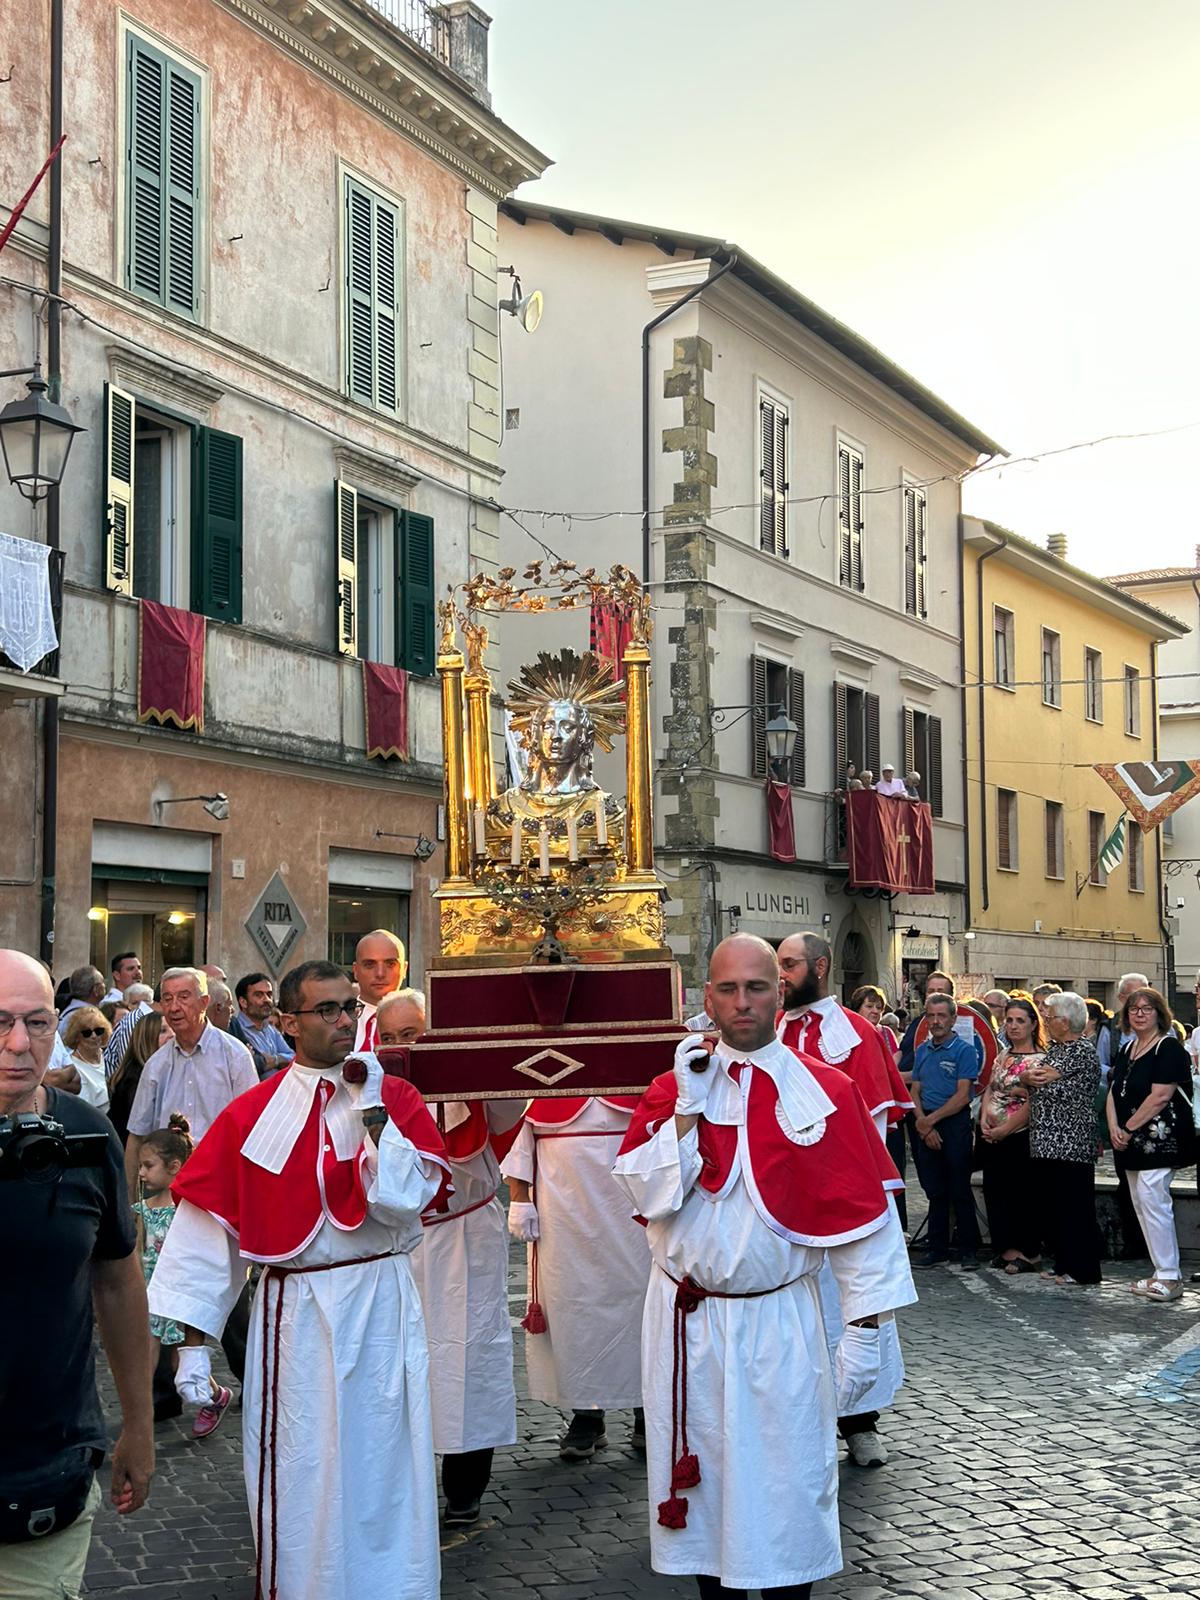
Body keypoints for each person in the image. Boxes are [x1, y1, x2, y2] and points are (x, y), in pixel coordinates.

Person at [611, 935, 915, 1598]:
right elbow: (645, 1194)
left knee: (787, 1484)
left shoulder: (826, 1091)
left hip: (780, 1321)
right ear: (707, 998)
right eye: (728, 988)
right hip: (686, 1325)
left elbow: (866, 1228)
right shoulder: (670, 1089)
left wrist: (866, 1334)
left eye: (756, 986)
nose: (742, 1001)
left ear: (780, 993)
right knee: (703, 1491)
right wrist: (689, 1112)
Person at [147, 959, 450, 1600]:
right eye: (327, 1010)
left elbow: (404, 1200)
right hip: (298, 1311)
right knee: (303, 1464)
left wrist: (371, 1115)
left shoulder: (394, 1098)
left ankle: (396, 1587)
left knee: (386, 1461)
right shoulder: (254, 1112)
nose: (345, 1020)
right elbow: (206, 1237)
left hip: (383, 1301)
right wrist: (192, 1344)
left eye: (350, 1008)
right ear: (288, 1023)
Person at [0, 950, 153, 1599]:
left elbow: (117, 1282)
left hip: (48, 1465)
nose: (17, 1043)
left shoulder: (86, 1135)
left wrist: (139, 1425)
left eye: (36, 1023)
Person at [777, 937, 912, 1468]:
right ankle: (794, 1425)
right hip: (778, 1195)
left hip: (841, 1196)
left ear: (820, 966)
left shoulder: (856, 1035)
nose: (781, 975)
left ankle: (859, 1423)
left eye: (788, 965)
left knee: (849, 1307)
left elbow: (871, 1130)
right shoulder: (767, 1030)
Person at [389, 988, 522, 1527]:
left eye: (414, 1034)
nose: (405, 1048)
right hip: (402, 1247)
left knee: (469, 1359)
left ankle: (465, 1486)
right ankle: (405, 1479)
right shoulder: (372, 1094)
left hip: (467, 1238)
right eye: (393, 1038)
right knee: (402, 1363)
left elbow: (516, 1094)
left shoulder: (476, 1082)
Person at [502, 1088, 650, 1463]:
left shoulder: (639, 1070)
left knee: (642, 1305)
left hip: (631, 1215)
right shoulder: (543, 1079)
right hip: (563, 1213)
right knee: (574, 1307)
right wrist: (519, 1197)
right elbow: (519, 1141)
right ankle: (587, 1412)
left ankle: (647, 1409)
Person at [133, 1115, 232, 1438]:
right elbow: (137, 1251)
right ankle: (141, 1413)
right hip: (151, 1293)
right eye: (141, 1166)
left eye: (148, 1166)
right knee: (145, 1352)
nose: (141, 1173)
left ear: (174, 1166)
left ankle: (216, 1396)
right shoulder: (142, 1209)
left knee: (179, 1363)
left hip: (178, 1293)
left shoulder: (186, 1209)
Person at [122, 967, 257, 1198]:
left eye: (184, 997)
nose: (174, 1007)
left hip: (221, 1187)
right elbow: (137, 1135)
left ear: (204, 1002)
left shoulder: (235, 1056)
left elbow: (254, 1128)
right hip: (166, 1192)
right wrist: (129, 1202)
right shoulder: (156, 1065)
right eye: (167, 999)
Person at [1107, 987, 1194, 1303]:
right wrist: (1115, 1126)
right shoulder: (1128, 1048)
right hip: (1130, 1136)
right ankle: (1160, 1271)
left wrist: (1127, 1128)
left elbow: (1160, 1096)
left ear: (1159, 1013)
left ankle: (1170, 1276)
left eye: (1146, 1008)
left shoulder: (1168, 1048)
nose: (1139, 1013)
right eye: (1133, 1008)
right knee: (1141, 1203)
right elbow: (1114, 1091)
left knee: (1153, 1198)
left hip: (1160, 1137)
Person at [1022, 992, 1102, 1287]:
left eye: (1050, 1016)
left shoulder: (1081, 1051)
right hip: (1047, 1140)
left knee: (1075, 1208)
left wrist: (1034, 1079)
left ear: (1065, 1022)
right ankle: (1063, 1262)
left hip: (1071, 1141)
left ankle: (1083, 1269)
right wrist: (1030, 1078)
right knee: (1055, 1207)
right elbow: (1032, 1079)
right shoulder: (1057, 1050)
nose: (1046, 1020)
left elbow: (1048, 1084)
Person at [910, 992, 981, 1270]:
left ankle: (968, 1249)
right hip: (926, 1122)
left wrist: (932, 1121)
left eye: (942, 1016)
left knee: (960, 1189)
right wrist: (922, 1121)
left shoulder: (964, 1051)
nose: (936, 1021)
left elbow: (963, 1095)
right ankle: (937, 1249)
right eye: (931, 1015)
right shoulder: (922, 1051)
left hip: (954, 1125)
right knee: (935, 1191)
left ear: (953, 1019)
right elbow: (916, 1089)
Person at [978, 999, 1043, 1274]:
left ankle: (1027, 1252)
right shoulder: (1003, 1055)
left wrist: (1006, 1128)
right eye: (1009, 1020)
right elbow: (991, 1089)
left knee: (1021, 1194)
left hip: (1019, 1135)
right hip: (992, 1135)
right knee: (996, 1192)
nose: (1013, 1026)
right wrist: (984, 1120)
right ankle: (1005, 1248)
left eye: (1019, 1021)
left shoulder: (1040, 1059)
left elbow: (1035, 1102)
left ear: (1032, 1024)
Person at [108, 1012, 173, 1147]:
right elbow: (140, 1134)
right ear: (146, 1038)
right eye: (162, 1031)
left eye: (173, 1028)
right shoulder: (134, 1080)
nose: (172, 1035)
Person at [352, 929, 406, 1050]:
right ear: (355, 971)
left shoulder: (422, 1020)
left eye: (390, 964)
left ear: (404, 969)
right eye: (370, 965)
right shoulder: (337, 1020)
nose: (380, 974)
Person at [230, 972, 294, 1071]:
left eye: (269, 994)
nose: (267, 1000)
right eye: (258, 995)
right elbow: (254, 1066)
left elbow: (293, 1058)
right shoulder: (236, 1030)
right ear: (243, 1002)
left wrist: (275, 1060)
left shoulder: (270, 1029)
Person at [897, 971, 955, 1076]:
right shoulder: (917, 1022)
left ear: (951, 996)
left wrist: (900, 1078)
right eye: (931, 991)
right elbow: (901, 1051)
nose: (935, 995)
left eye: (940, 991)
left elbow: (940, 1068)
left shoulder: (952, 1026)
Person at [63, 1005, 112, 1111]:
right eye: (87, 1033)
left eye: (99, 1031)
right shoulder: (73, 1067)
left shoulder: (109, 1057)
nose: (94, 1036)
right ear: (76, 1036)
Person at [104, 983, 155, 1075]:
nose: (140, 1007)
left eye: (146, 1002)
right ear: (126, 1005)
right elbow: (131, 1068)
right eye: (135, 1003)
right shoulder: (129, 1023)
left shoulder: (155, 1024)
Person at [56, 965, 105, 1037]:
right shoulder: (86, 1018)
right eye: (102, 982)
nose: (104, 986)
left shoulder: (69, 1012)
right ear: (96, 989)